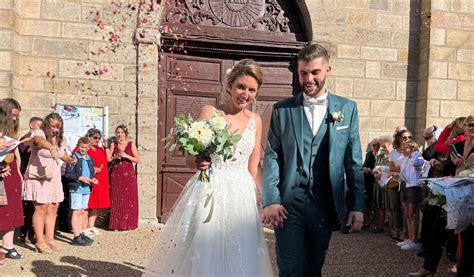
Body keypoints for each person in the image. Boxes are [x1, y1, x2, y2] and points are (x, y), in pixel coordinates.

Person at [144, 59, 273, 276]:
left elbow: (253, 167)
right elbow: (189, 159)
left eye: (252, 90)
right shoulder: (210, 112)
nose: (245, 94)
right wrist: (197, 161)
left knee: (240, 250)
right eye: (241, 86)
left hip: (241, 194)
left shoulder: (256, 120)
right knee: (205, 246)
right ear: (230, 85)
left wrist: (267, 200)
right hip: (210, 189)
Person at [262, 44, 364, 276]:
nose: (308, 79)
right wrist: (270, 200)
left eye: (315, 72)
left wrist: (357, 206)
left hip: (324, 202)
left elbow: (354, 161)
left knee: (313, 268)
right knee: (290, 268)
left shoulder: (347, 109)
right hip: (288, 204)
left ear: (328, 70)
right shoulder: (282, 110)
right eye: (303, 72)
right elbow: (272, 155)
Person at [22, 113, 76, 254]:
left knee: (53, 207)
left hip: (54, 177)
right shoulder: (39, 132)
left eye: (58, 126)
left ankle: (50, 238)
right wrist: (50, 146)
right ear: (47, 124)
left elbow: (61, 154)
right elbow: (38, 141)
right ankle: (39, 241)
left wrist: (70, 160)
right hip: (39, 177)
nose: (55, 129)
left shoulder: (61, 139)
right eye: (53, 126)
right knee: (41, 208)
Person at [0, 98, 24, 261]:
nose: (15, 119)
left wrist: (19, 173)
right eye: (13, 115)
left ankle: (8, 245)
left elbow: (14, 153)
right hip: (2, 175)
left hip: (12, 173)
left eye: (17, 116)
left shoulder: (10, 133)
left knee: (12, 210)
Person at [106, 124, 140, 231]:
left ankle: (129, 224)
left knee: (128, 198)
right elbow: (108, 159)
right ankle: (116, 225)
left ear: (125, 134)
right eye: (118, 132)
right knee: (116, 198)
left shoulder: (131, 144)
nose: (120, 134)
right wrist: (115, 156)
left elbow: (137, 159)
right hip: (116, 174)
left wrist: (126, 156)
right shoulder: (113, 144)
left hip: (129, 174)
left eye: (122, 133)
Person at [65, 137, 97, 246]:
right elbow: (68, 174)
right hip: (77, 187)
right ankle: (76, 236)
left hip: (86, 188)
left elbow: (91, 173)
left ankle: (81, 232)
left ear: (88, 148)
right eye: (81, 147)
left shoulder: (90, 159)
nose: (83, 149)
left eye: (85, 147)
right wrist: (79, 178)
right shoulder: (73, 158)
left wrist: (93, 179)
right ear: (78, 146)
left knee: (83, 211)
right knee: (76, 211)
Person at [77, 128, 110, 236]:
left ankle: (91, 226)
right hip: (89, 180)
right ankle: (83, 227)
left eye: (98, 138)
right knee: (87, 204)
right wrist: (92, 168)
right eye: (95, 138)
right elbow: (78, 161)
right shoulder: (84, 149)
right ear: (89, 137)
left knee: (96, 204)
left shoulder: (99, 149)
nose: (97, 140)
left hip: (100, 180)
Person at [18, 116, 43, 244]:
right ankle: (25, 234)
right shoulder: (24, 139)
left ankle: (36, 233)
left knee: (38, 206)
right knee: (28, 206)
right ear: (31, 126)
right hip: (27, 173)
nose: (41, 128)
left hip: (39, 175)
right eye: (38, 125)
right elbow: (25, 153)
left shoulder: (43, 138)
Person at [398, 140, 425, 251]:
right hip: (404, 184)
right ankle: (410, 238)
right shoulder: (405, 159)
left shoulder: (417, 156)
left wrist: (415, 152)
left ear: (412, 149)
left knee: (412, 214)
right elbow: (403, 172)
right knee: (407, 214)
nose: (404, 151)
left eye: (406, 149)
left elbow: (417, 164)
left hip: (413, 186)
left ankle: (414, 240)